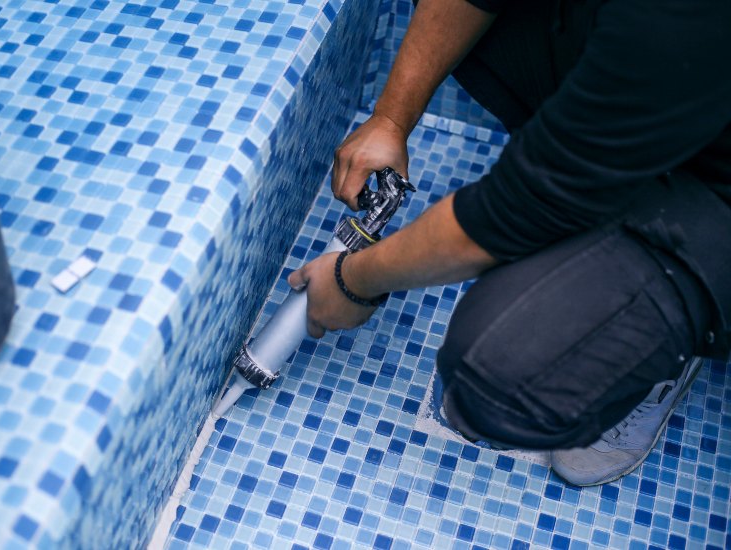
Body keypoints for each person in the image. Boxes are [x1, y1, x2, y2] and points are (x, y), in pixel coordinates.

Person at [287, 0, 731, 486]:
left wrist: (352, 282)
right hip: (664, 84)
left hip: (717, 198)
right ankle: (594, 160)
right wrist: (391, 118)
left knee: (493, 376)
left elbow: (510, 212)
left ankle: (674, 321)